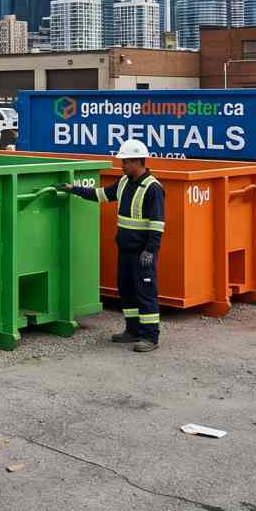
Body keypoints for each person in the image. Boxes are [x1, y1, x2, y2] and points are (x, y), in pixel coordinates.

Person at [63, 139, 166, 352]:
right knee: (126, 290)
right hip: (126, 249)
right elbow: (100, 195)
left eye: (126, 162)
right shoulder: (123, 182)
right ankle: (133, 330)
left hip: (142, 252)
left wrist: (150, 249)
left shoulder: (153, 188)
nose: (122, 165)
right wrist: (73, 189)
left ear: (138, 161)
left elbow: (157, 223)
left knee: (145, 293)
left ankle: (150, 337)